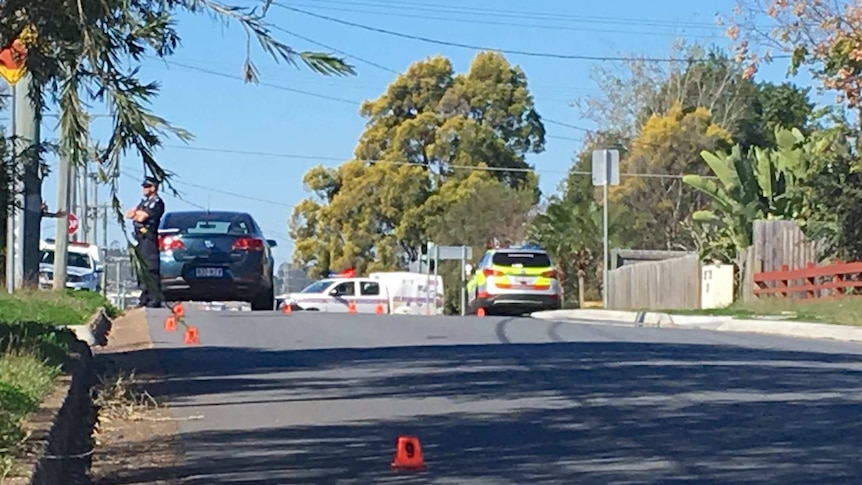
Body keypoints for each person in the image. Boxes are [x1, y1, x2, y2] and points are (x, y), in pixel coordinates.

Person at [126, 176, 165, 308]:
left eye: (147, 186)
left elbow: (141, 217)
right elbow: (129, 214)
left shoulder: (157, 203)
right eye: (144, 186)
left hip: (148, 238)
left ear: (153, 188)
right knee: (142, 268)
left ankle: (154, 298)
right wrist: (137, 213)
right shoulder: (144, 203)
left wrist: (137, 214)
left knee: (151, 267)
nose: (144, 189)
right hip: (140, 239)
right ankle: (145, 297)